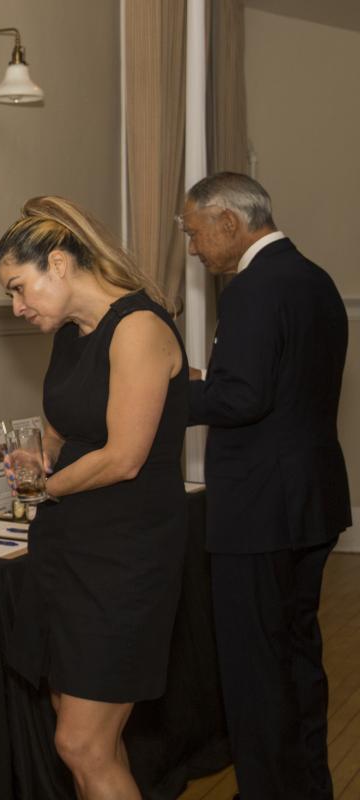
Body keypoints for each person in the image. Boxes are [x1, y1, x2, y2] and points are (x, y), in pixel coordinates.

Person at [0, 196, 188, 800]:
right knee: (89, 741)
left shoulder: (139, 328)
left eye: (19, 288)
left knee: (82, 744)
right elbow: (62, 433)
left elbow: (124, 457)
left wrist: (47, 487)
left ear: (58, 263)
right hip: (68, 548)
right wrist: (39, 458)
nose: (18, 307)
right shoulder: (71, 335)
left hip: (124, 556)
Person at [181, 172, 350, 800]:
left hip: (258, 510)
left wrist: (165, 393)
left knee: (256, 673)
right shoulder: (315, 279)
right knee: (298, 658)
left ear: (229, 222)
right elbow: (278, 387)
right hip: (310, 500)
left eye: (195, 233)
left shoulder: (253, 288)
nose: (194, 248)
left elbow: (241, 398)